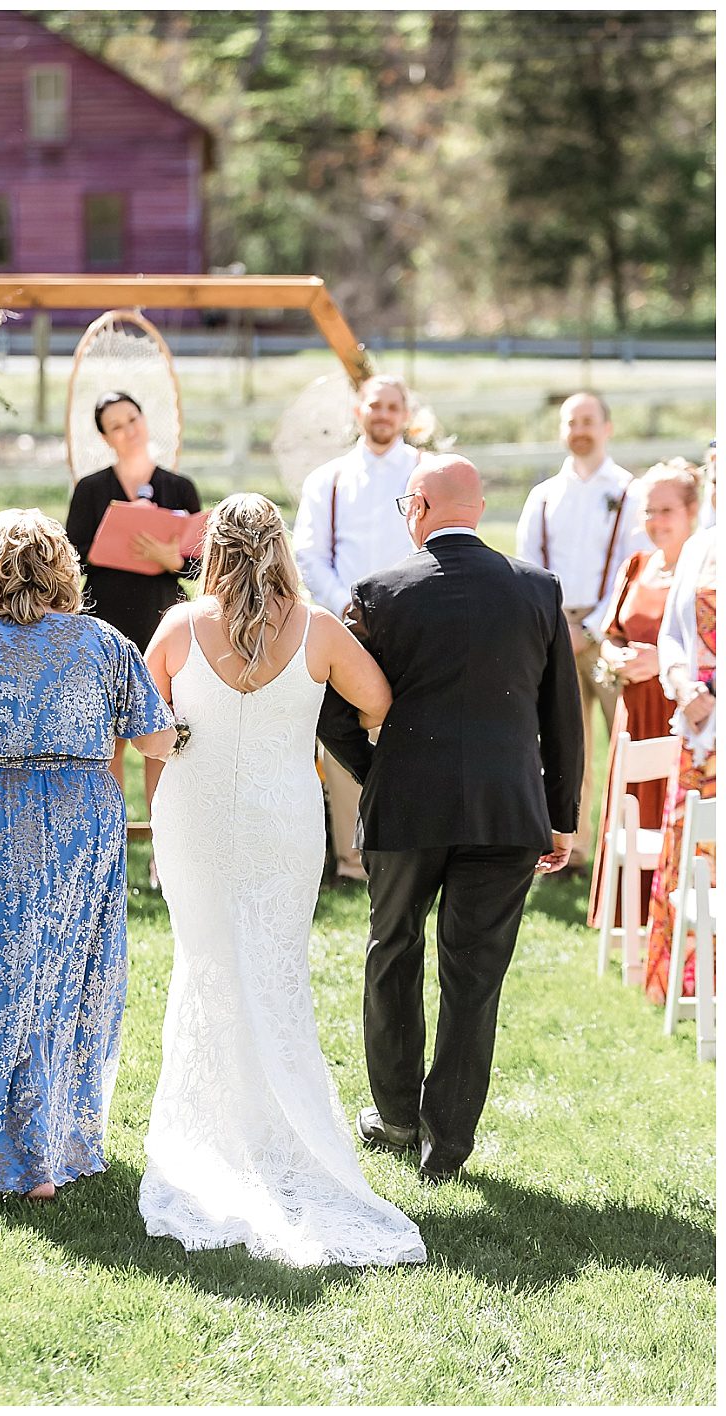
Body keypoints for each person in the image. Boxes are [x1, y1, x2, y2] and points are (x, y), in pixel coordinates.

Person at [138, 493, 425, 1267]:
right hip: (283, 819)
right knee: (273, 970)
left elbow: (147, 732)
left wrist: (162, 790)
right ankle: (278, 1130)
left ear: (214, 552)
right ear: (281, 551)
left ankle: (218, 1134)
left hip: (192, 819)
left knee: (205, 968)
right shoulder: (320, 629)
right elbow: (378, 702)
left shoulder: (175, 628)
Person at [0, 509, 176, 1196]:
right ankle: (50, 1145)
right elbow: (157, 743)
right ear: (63, 569)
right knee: (67, 976)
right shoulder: (107, 645)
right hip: (84, 818)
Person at [321, 456, 584, 1184]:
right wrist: (560, 816)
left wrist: (380, 779)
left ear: (423, 507)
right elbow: (561, 718)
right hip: (508, 813)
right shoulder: (538, 590)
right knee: (475, 978)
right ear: (481, 508)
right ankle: (449, 1143)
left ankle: (398, 1116)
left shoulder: (379, 593)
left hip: (408, 809)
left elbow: (334, 713)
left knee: (392, 950)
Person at [292, 374, 424, 883]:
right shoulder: (328, 479)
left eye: (393, 406)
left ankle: (413, 850)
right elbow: (308, 553)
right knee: (344, 738)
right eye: (375, 405)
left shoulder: (422, 473)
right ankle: (352, 861)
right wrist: (347, 607)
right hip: (346, 626)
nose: (383, 414)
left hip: (414, 623)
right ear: (358, 411)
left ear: (406, 415)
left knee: (414, 733)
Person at [515, 392, 649, 864]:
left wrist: (591, 628)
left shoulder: (631, 492)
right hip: (554, 631)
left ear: (607, 427)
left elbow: (630, 566)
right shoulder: (544, 495)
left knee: (626, 741)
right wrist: (555, 627)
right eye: (571, 422)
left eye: (588, 420)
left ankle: (631, 848)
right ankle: (574, 849)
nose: (580, 430)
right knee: (565, 746)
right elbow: (528, 566)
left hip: (612, 631)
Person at [63, 391, 202, 818]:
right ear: (106, 437)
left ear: (144, 420)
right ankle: (111, 833)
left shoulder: (179, 488)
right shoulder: (91, 489)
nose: (128, 430)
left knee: (161, 734)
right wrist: (118, 543)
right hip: (105, 622)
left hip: (163, 623)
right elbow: (71, 557)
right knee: (107, 738)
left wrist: (170, 559)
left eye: (132, 419)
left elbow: (201, 567)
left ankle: (163, 842)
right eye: (116, 426)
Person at [587, 461, 704, 931]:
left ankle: (674, 923)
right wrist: (615, 657)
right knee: (633, 809)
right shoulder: (635, 565)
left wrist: (665, 662)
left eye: (667, 510)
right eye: (648, 511)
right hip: (633, 714)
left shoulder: (707, 570)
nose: (655, 521)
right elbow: (610, 633)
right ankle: (629, 922)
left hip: (682, 711)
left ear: (693, 511)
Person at [643, 497, 716, 1008]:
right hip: (696, 727)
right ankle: (688, 982)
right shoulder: (698, 547)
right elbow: (671, 632)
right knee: (690, 851)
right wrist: (679, 681)